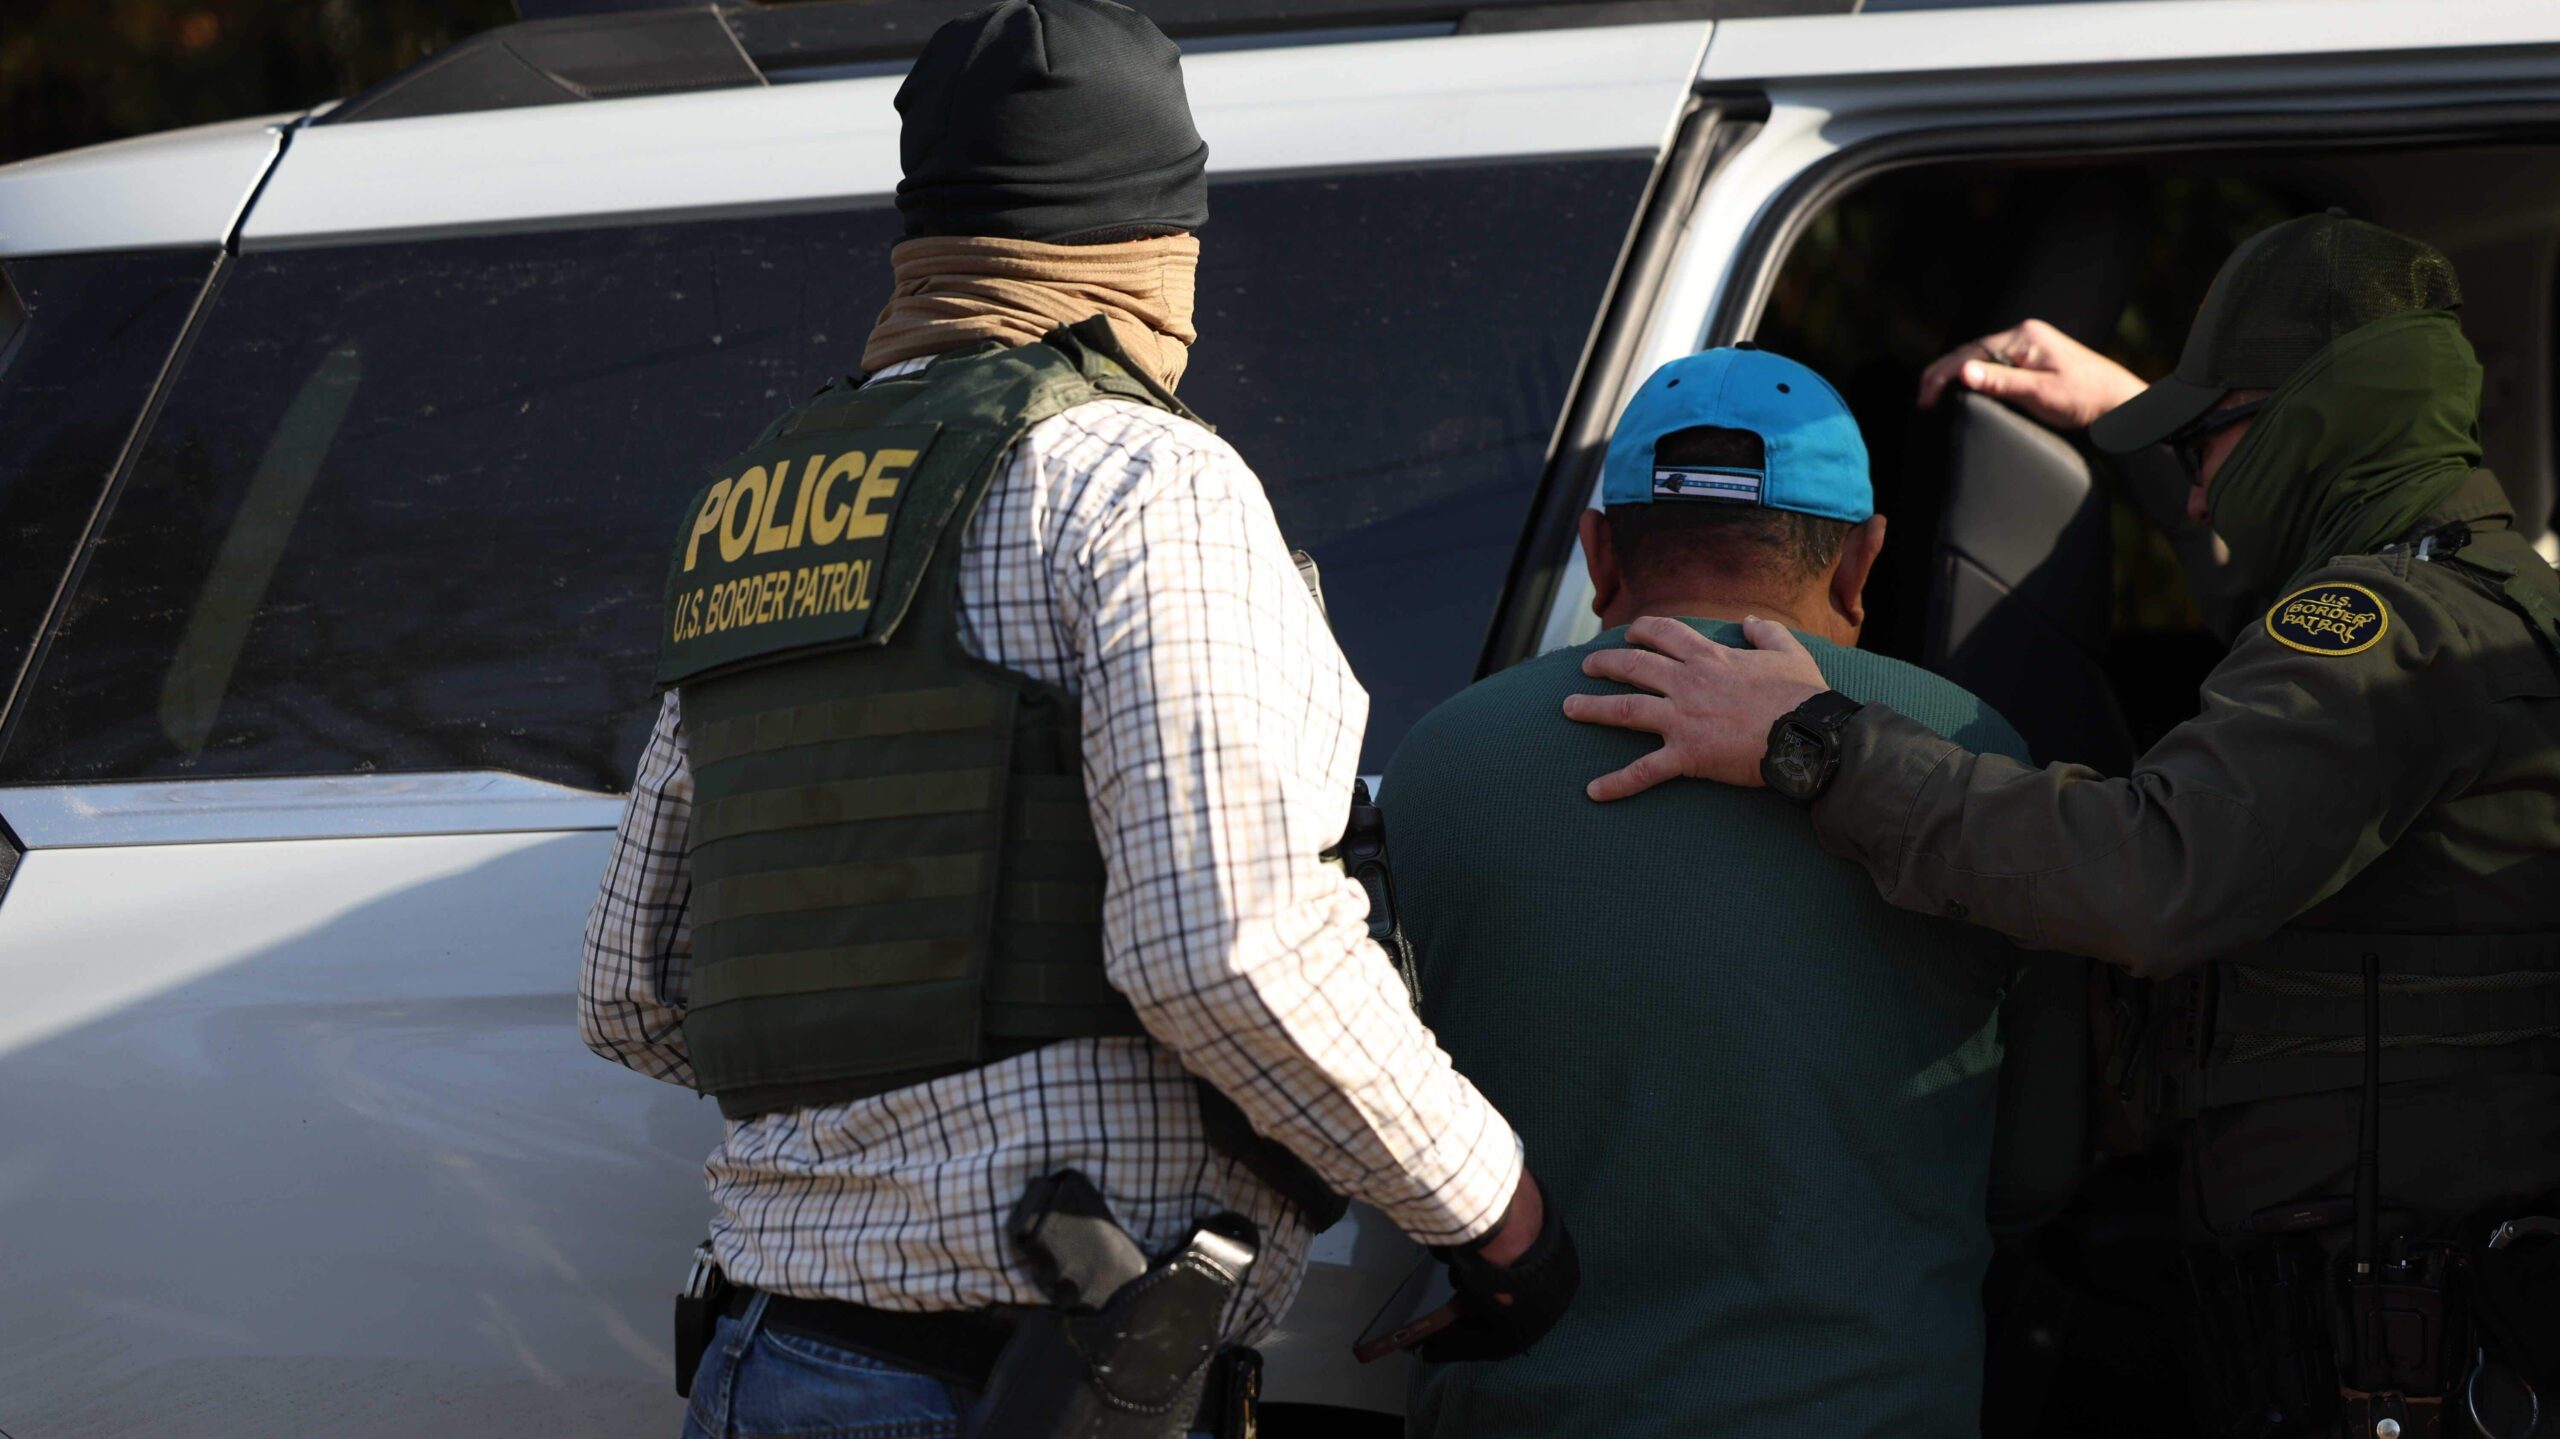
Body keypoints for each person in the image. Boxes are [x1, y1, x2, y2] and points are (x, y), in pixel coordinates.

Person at [578, 3, 1574, 1435]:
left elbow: (634, 983)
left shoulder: (756, 505)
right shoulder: (1136, 478)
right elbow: (1220, 949)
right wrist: (1500, 1214)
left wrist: (879, 1116)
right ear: (1158, 241)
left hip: (765, 1356)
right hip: (1017, 1382)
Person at [1564, 215, 2560, 1435]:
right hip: (2439, 1304)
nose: (2199, 489)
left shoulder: (2380, 625)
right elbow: (2275, 604)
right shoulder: (2484, 589)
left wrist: (1812, 739)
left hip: (2398, 1327)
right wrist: (2130, 417)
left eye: (2208, 443)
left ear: (2305, 420)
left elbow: (2151, 874)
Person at [1385, 345, 2073, 1439]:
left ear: (1599, 548)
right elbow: (2035, 1166)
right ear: (1861, 559)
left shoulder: (1436, 763)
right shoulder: (1965, 753)